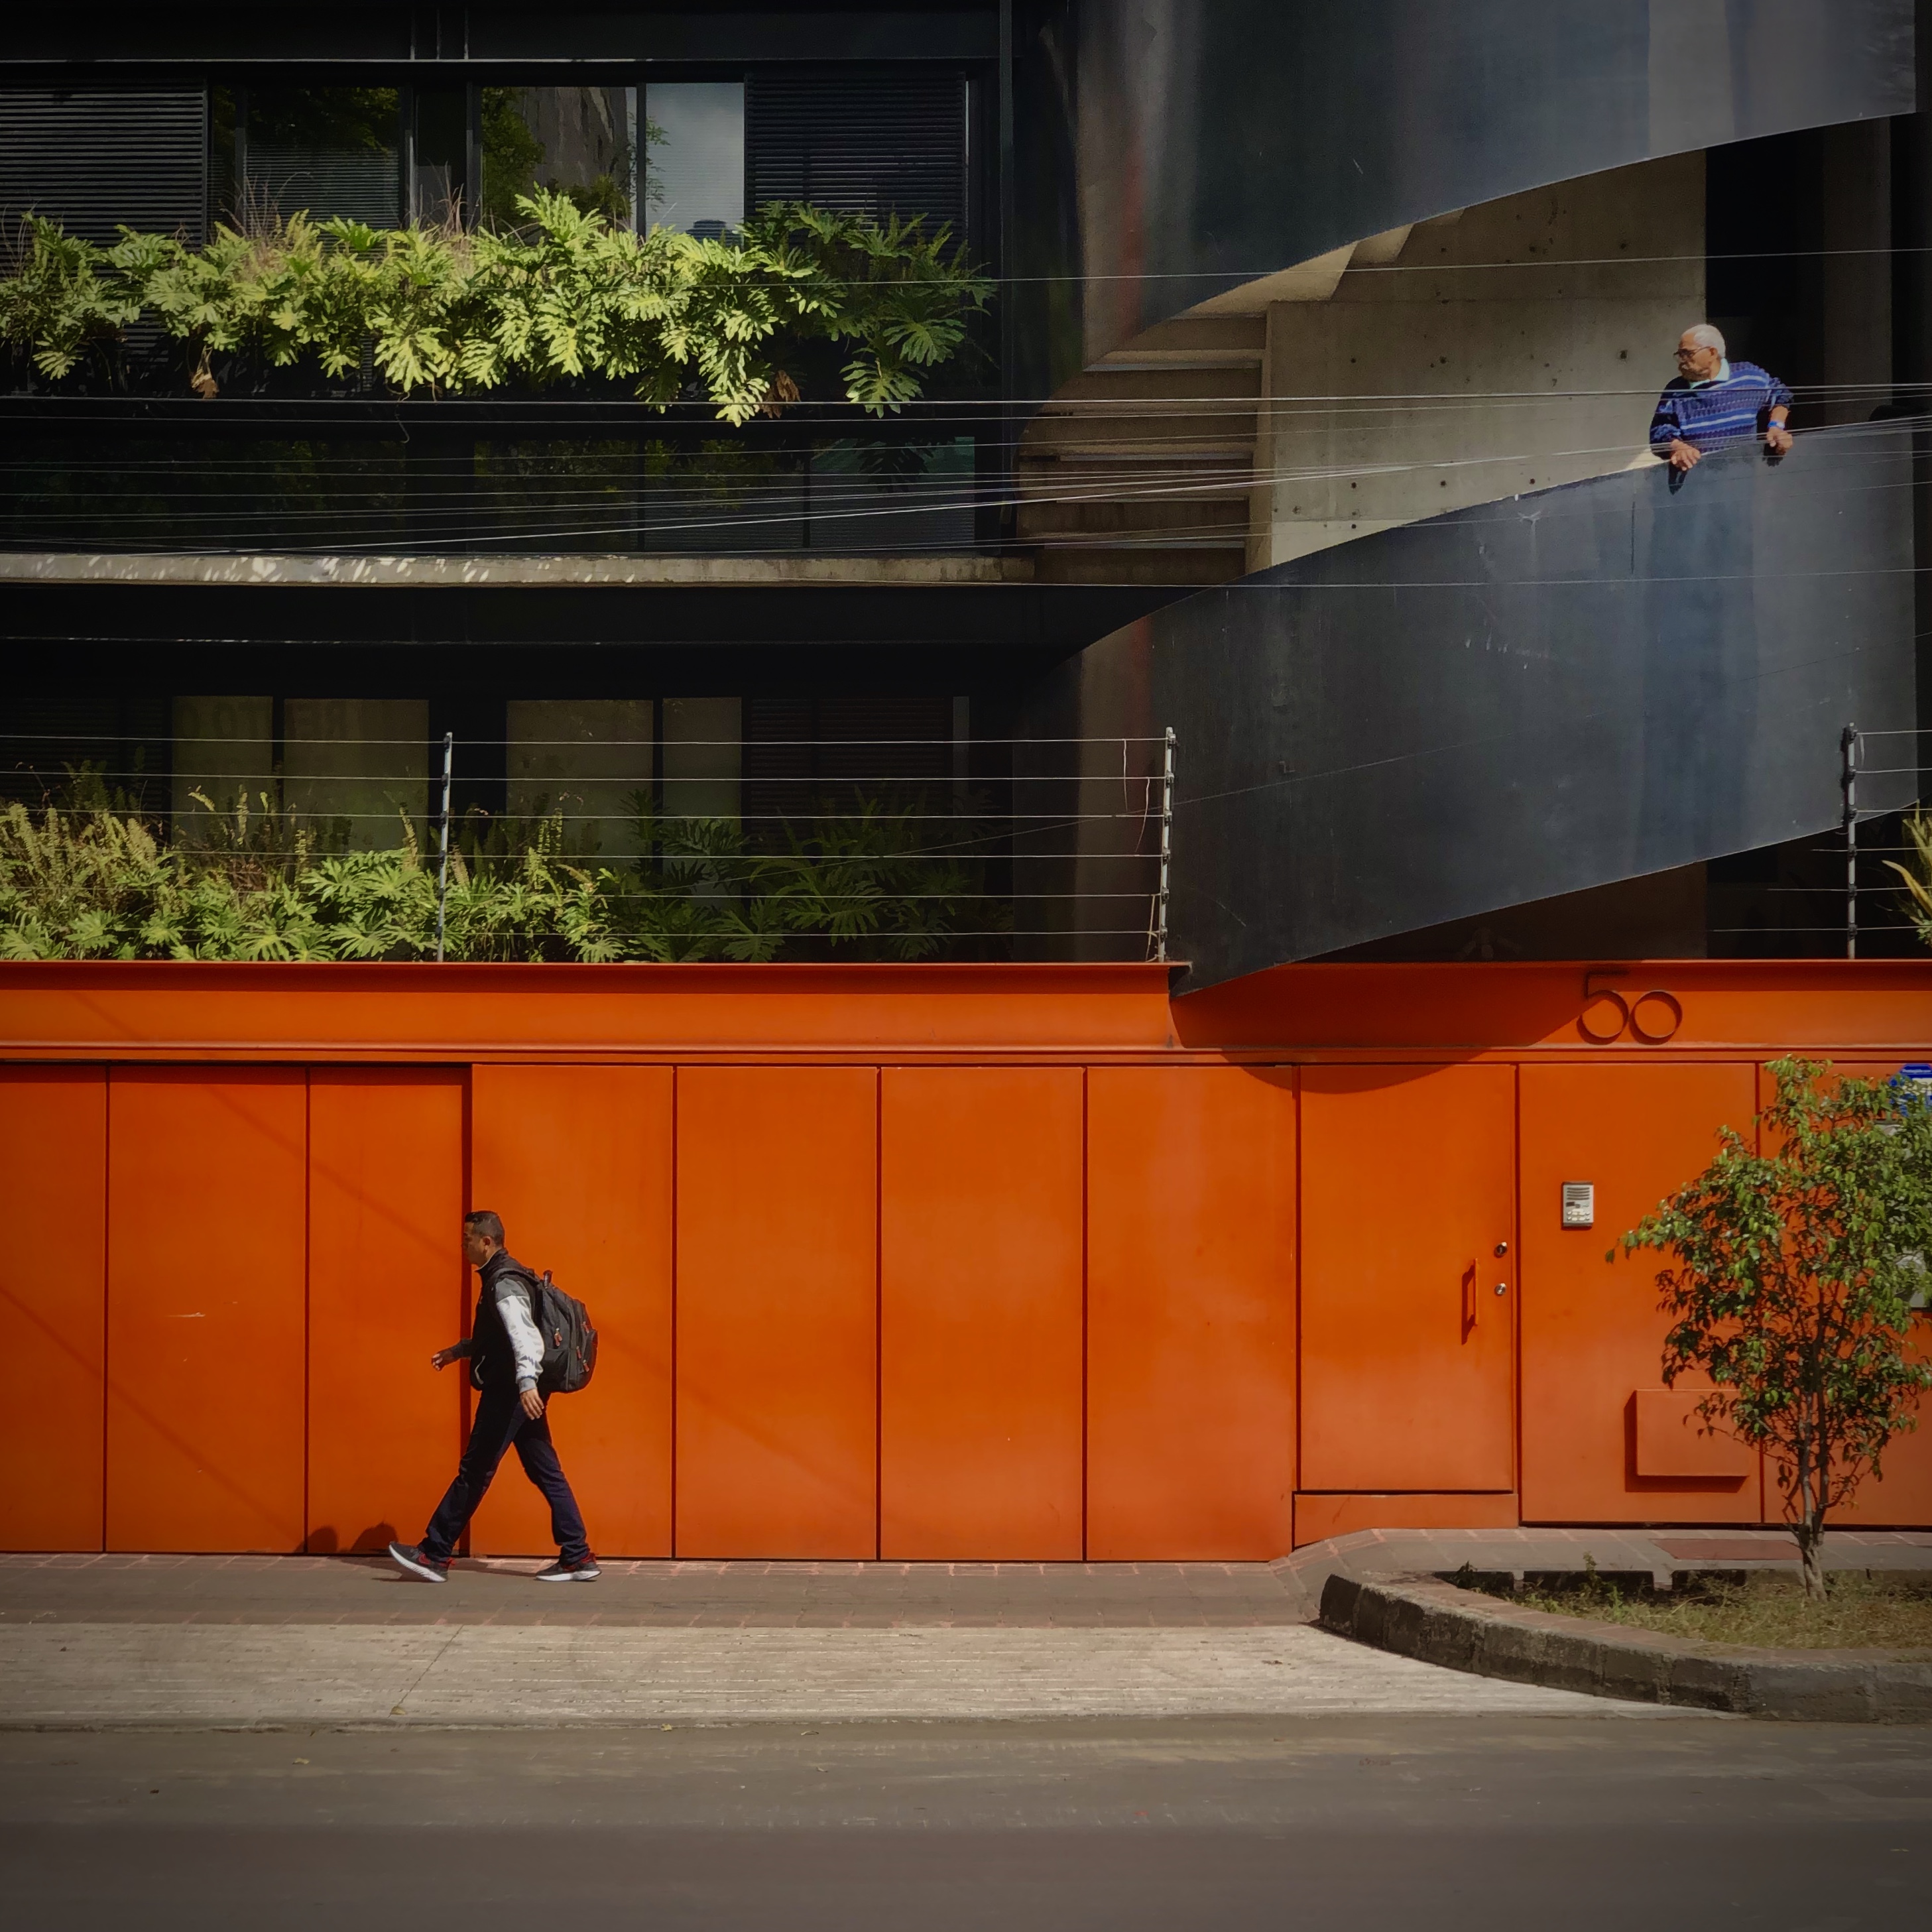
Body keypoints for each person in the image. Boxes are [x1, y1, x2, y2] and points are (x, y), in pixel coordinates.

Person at [388, 1209, 599, 1583]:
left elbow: (524, 1335)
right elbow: (499, 1338)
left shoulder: (503, 1281)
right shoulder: (507, 1275)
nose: (462, 1245)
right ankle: (578, 1556)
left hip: (509, 1392)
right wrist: (462, 1350)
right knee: (545, 1470)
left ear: (487, 1242)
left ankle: (434, 1553)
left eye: (467, 1239)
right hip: (519, 1389)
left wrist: (526, 1382)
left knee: (475, 1471)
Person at [1649, 324, 1794, 472]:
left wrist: (1776, 426)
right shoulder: (1676, 390)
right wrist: (1677, 447)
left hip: (1745, 476)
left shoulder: (1749, 376)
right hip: (1698, 481)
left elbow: (1781, 394)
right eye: (1680, 354)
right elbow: (1658, 432)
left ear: (1712, 353)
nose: (1682, 360)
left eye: (1687, 353)